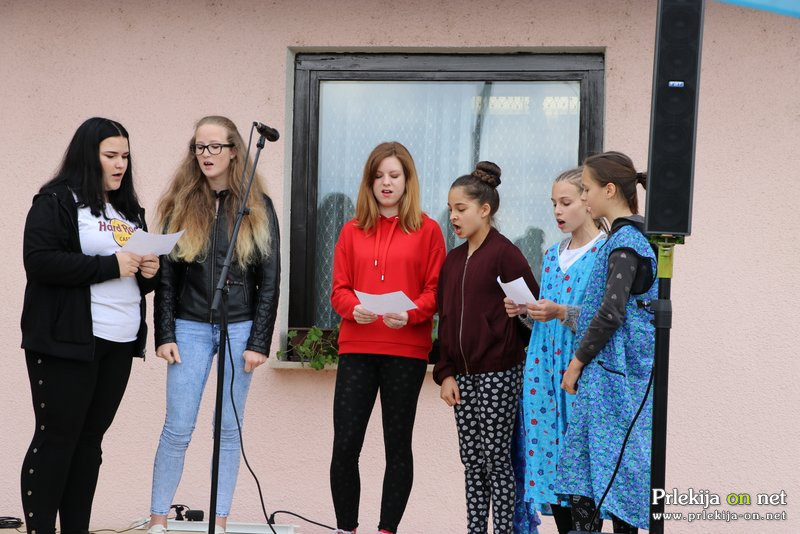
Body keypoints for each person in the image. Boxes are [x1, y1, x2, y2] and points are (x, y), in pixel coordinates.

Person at [20, 117, 159, 534]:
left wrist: (150, 272)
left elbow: (134, 274)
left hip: (120, 341)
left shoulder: (128, 209)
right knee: (57, 438)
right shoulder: (56, 200)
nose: (120, 164)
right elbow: (39, 261)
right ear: (87, 155)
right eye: (110, 155)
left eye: (125, 156)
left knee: (89, 442)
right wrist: (110, 266)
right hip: (68, 340)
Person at [147, 116, 280, 534]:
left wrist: (259, 340)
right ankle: (157, 520)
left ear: (234, 151)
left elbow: (270, 279)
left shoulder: (258, 206)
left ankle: (219, 521)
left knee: (227, 430)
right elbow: (166, 277)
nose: (206, 155)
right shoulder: (181, 203)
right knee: (177, 427)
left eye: (215, 147)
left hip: (239, 327)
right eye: (199, 147)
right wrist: (165, 333)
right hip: (188, 324)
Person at [329, 141, 446, 534]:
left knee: (397, 446)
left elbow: (435, 291)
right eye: (378, 176)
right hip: (357, 348)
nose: (386, 183)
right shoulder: (351, 231)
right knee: (346, 444)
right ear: (369, 182)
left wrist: (411, 314)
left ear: (408, 180)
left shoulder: (428, 231)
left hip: (406, 350)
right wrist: (352, 308)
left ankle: (386, 529)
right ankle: (346, 528)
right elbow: (339, 289)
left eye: (394, 175)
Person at [554, 151, 658, 533]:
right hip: (607, 384)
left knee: (611, 483)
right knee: (590, 481)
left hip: (615, 386)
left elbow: (611, 313)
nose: (583, 197)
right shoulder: (626, 240)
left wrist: (576, 362)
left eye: (586, 189)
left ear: (609, 190)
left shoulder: (625, 244)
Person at [434, 161, 540, 534]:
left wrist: (519, 315)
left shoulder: (505, 254)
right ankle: (475, 529)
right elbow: (445, 321)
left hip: (499, 372)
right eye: (450, 209)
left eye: (460, 208)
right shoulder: (452, 262)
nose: (453, 216)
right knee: (472, 462)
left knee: (497, 461)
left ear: (484, 209)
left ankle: (504, 530)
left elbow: (533, 312)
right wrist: (445, 373)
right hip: (462, 378)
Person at [503, 167, 606, 534]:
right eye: (553, 204)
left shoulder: (605, 252)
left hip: (581, 372)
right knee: (552, 466)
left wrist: (562, 311)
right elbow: (545, 322)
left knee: (584, 470)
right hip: (542, 373)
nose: (557, 211)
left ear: (588, 201)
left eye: (565, 202)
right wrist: (525, 310)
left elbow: (606, 319)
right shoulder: (550, 255)